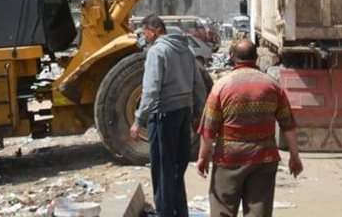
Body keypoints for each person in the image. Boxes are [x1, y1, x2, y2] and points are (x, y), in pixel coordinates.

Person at [196, 39, 303, 217]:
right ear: (256, 57)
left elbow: (209, 128)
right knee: (259, 212)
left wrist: (202, 156)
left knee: (222, 209)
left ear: (233, 57)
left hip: (229, 157)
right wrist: (294, 155)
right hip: (264, 156)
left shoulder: (222, 86)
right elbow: (288, 125)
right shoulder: (272, 86)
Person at [130, 14, 209, 217]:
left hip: (163, 115)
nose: (145, 37)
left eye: (146, 32)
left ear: (155, 31)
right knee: (177, 168)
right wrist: (197, 113)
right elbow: (199, 85)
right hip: (184, 112)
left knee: (163, 169)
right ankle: (180, 211)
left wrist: (138, 120)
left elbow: (151, 89)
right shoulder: (187, 50)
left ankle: (165, 212)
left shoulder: (157, 51)